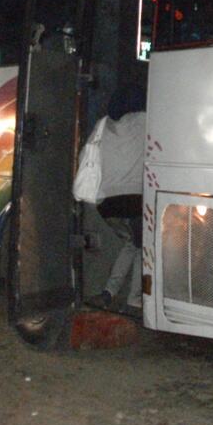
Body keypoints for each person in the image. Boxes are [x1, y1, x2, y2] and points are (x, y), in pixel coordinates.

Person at [77, 84, 146, 316]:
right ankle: (135, 300)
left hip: (106, 204)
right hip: (134, 201)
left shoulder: (103, 123)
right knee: (143, 247)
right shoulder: (146, 121)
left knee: (133, 243)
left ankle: (108, 293)